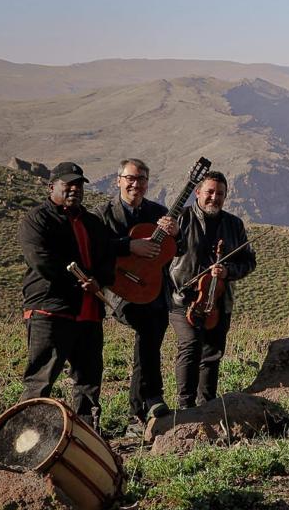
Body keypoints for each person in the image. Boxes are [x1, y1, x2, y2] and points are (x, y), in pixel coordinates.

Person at [17, 162, 116, 427]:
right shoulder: (37, 219)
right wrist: (78, 282)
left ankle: (86, 437)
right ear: (52, 187)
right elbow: (41, 260)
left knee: (88, 381)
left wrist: (99, 279)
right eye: (68, 184)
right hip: (50, 310)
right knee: (41, 379)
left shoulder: (93, 223)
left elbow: (108, 260)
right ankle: (25, 439)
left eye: (79, 185)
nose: (75, 189)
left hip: (89, 313)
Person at [94, 159, 180, 432]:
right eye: (130, 178)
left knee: (153, 329)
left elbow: (175, 252)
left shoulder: (158, 213)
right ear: (118, 180)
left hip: (151, 289)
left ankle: (141, 408)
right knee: (146, 326)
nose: (136, 184)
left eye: (142, 179)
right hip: (119, 290)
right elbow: (95, 248)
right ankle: (150, 399)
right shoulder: (102, 214)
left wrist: (177, 235)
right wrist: (130, 245)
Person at [168, 171, 256, 409]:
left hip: (218, 301)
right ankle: (185, 406)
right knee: (191, 346)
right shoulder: (182, 218)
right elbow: (167, 252)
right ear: (198, 192)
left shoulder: (234, 225)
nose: (214, 198)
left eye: (220, 194)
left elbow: (248, 262)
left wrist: (228, 271)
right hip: (183, 297)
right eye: (209, 192)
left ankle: (206, 406)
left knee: (212, 353)